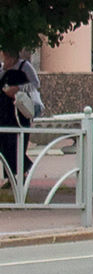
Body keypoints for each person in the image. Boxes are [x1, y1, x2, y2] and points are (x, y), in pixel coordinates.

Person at [0, 48, 40, 182]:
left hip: (19, 112)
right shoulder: (2, 69)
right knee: (4, 144)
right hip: (4, 112)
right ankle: (11, 176)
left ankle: (22, 172)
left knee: (16, 143)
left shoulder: (25, 67)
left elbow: (35, 84)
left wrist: (18, 88)